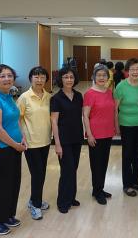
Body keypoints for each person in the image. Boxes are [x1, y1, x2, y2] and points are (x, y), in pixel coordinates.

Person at [0, 64, 26, 235]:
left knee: (14, 182)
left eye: (10, 75)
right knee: (4, 185)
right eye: (2, 76)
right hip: (3, 149)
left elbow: (16, 119)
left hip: (15, 147)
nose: (7, 79)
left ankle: (8, 215)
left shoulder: (8, 96)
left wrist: (22, 136)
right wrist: (15, 144)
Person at [17, 66, 52, 220]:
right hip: (31, 143)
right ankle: (35, 204)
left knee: (41, 173)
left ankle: (34, 199)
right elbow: (17, 119)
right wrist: (21, 136)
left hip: (45, 141)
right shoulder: (24, 97)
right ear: (30, 79)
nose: (39, 80)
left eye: (42, 77)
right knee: (37, 174)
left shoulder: (49, 96)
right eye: (36, 77)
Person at [114, 58, 138, 197]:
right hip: (126, 125)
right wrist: (116, 127)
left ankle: (136, 181)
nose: (135, 72)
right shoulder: (121, 86)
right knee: (127, 155)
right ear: (127, 71)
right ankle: (127, 184)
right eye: (132, 69)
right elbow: (114, 109)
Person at [50, 67, 84, 214]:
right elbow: (54, 122)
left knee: (73, 169)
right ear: (61, 80)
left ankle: (71, 197)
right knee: (67, 170)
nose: (69, 80)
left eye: (71, 77)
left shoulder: (78, 96)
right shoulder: (56, 98)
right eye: (65, 77)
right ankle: (62, 201)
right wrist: (57, 143)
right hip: (63, 140)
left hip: (77, 137)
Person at [83, 64, 116, 205]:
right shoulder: (89, 93)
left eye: (104, 75)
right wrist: (89, 135)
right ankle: (97, 191)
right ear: (94, 77)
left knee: (103, 163)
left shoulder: (109, 92)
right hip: (95, 134)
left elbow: (112, 111)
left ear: (108, 78)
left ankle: (100, 188)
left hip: (108, 133)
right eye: (99, 75)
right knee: (96, 164)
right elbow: (85, 116)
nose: (102, 78)